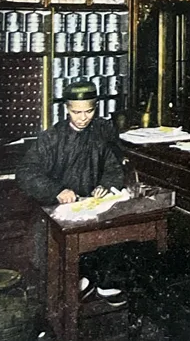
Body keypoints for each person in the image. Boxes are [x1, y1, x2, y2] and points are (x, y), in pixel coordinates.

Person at [16, 80, 127, 306]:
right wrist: (57, 191)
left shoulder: (101, 132)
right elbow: (25, 173)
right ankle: (73, 286)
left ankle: (100, 282)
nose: (83, 118)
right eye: (76, 112)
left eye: (89, 111)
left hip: (92, 206)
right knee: (53, 255)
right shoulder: (51, 138)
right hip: (57, 209)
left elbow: (114, 168)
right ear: (66, 109)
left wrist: (105, 185)